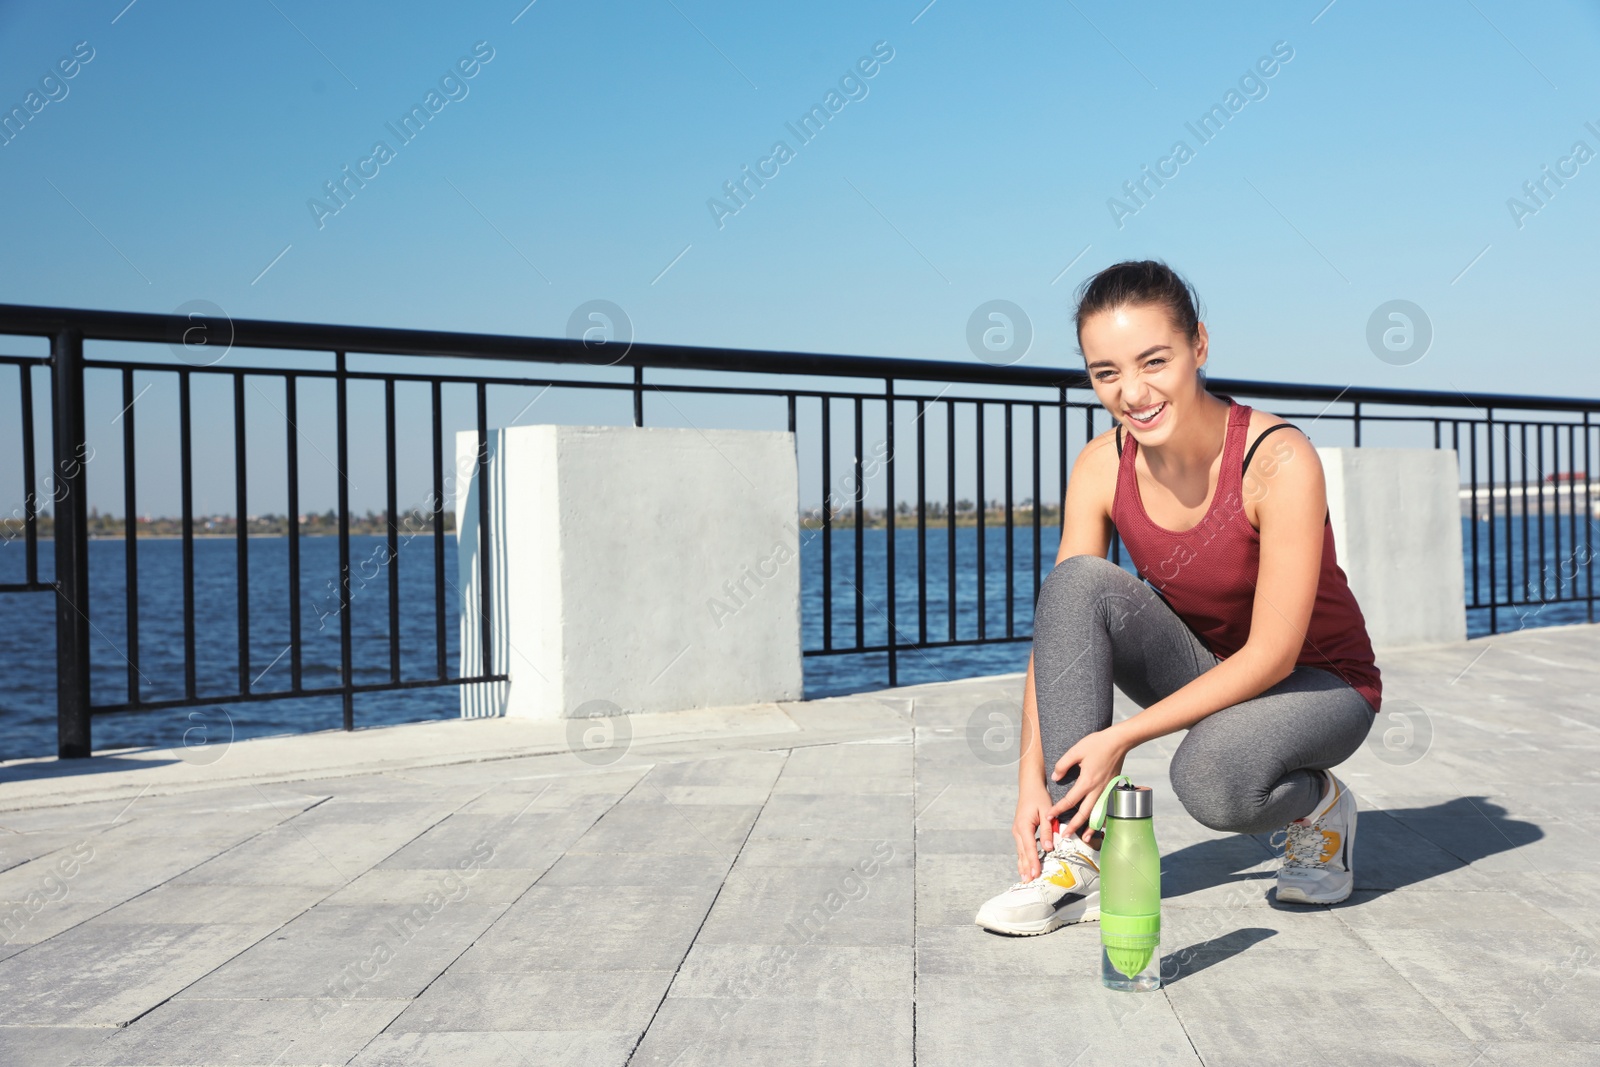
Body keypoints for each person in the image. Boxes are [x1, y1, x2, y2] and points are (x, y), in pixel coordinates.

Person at [974, 259, 1381, 936]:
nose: (1133, 392)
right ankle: (1076, 850)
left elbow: (1276, 654)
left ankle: (1321, 806)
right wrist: (1029, 784)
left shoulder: (1278, 459)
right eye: (1106, 373)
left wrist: (1122, 737)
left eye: (1153, 361)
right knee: (1075, 581)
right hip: (1212, 668)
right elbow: (1060, 634)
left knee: (1212, 781)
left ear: (1199, 344)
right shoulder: (1101, 464)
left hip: (1322, 683)